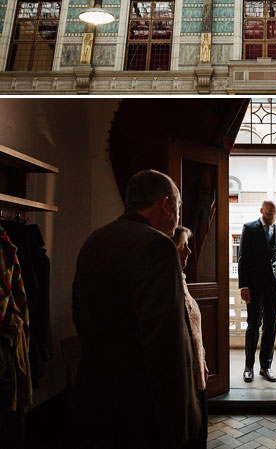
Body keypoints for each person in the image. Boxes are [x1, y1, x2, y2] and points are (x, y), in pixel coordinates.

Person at [71, 169, 200, 449]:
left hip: (97, 395)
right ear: (164, 204)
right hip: (142, 405)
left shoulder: (95, 241)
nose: (177, 215)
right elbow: (166, 341)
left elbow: (79, 311)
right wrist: (177, 421)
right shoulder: (158, 246)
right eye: (177, 206)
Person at [237, 200, 276, 383]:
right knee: (253, 325)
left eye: (274, 214)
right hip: (254, 286)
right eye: (268, 214)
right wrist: (244, 286)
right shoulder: (249, 228)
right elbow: (243, 258)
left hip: (275, 286)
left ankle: (266, 367)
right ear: (261, 211)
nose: (271, 217)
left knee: (270, 328)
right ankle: (248, 367)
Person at [172, 226, 208, 449]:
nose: (189, 252)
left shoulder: (181, 279)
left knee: (199, 431)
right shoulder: (168, 283)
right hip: (182, 374)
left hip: (195, 371)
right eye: (183, 246)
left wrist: (201, 358)